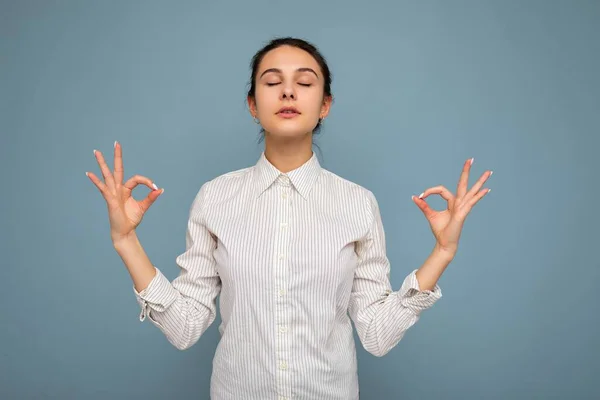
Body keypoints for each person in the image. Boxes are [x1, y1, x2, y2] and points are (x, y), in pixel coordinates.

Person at [86, 36, 492, 400]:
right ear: (252, 104)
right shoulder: (215, 198)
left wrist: (443, 251)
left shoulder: (357, 203)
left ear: (325, 105)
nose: (287, 91)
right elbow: (184, 327)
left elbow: (377, 334)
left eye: (305, 81)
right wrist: (126, 241)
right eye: (272, 81)